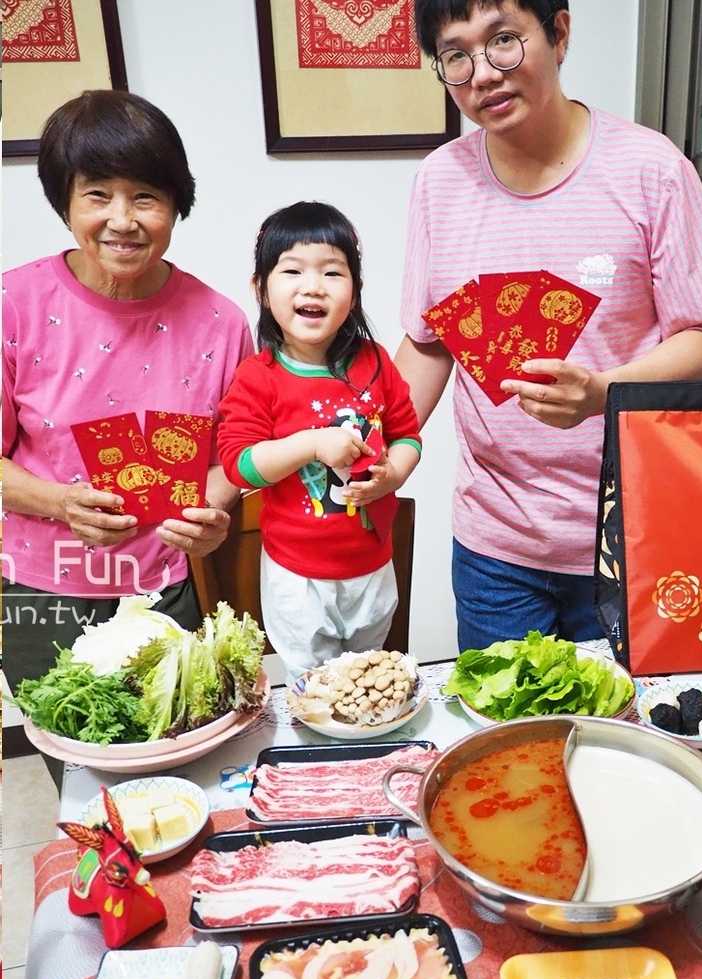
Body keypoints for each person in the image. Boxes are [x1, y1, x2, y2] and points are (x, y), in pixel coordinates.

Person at [396, 0, 702, 652]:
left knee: (617, 736)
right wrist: (378, 444)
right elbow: (428, 343)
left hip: (628, 529)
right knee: (503, 737)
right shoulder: (439, 181)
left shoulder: (652, 170)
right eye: (456, 56)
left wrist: (602, 390)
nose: (484, 73)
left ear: (557, 34)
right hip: (492, 540)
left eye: (504, 40)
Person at [1, 90, 254, 713]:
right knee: (83, 768)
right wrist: (62, 502)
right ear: (66, 202)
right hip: (41, 593)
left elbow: (237, 456)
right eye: (97, 194)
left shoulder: (220, 323)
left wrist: (212, 510)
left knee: (179, 759)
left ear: (174, 206)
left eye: (145, 196)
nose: (122, 219)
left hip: (169, 587)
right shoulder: (13, 306)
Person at [217, 201, 422, 680]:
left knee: (367, 677)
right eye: (292, 271)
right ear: (261, 290)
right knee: (312, 686)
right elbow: (240, 464)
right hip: (299, 576)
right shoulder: (258, 377)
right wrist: (312, 444)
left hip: (373, 564)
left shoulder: (374, 362)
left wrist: (394, 472)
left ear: (355, 290)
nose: (312, 286)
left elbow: (408, 435)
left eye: (332, 272)